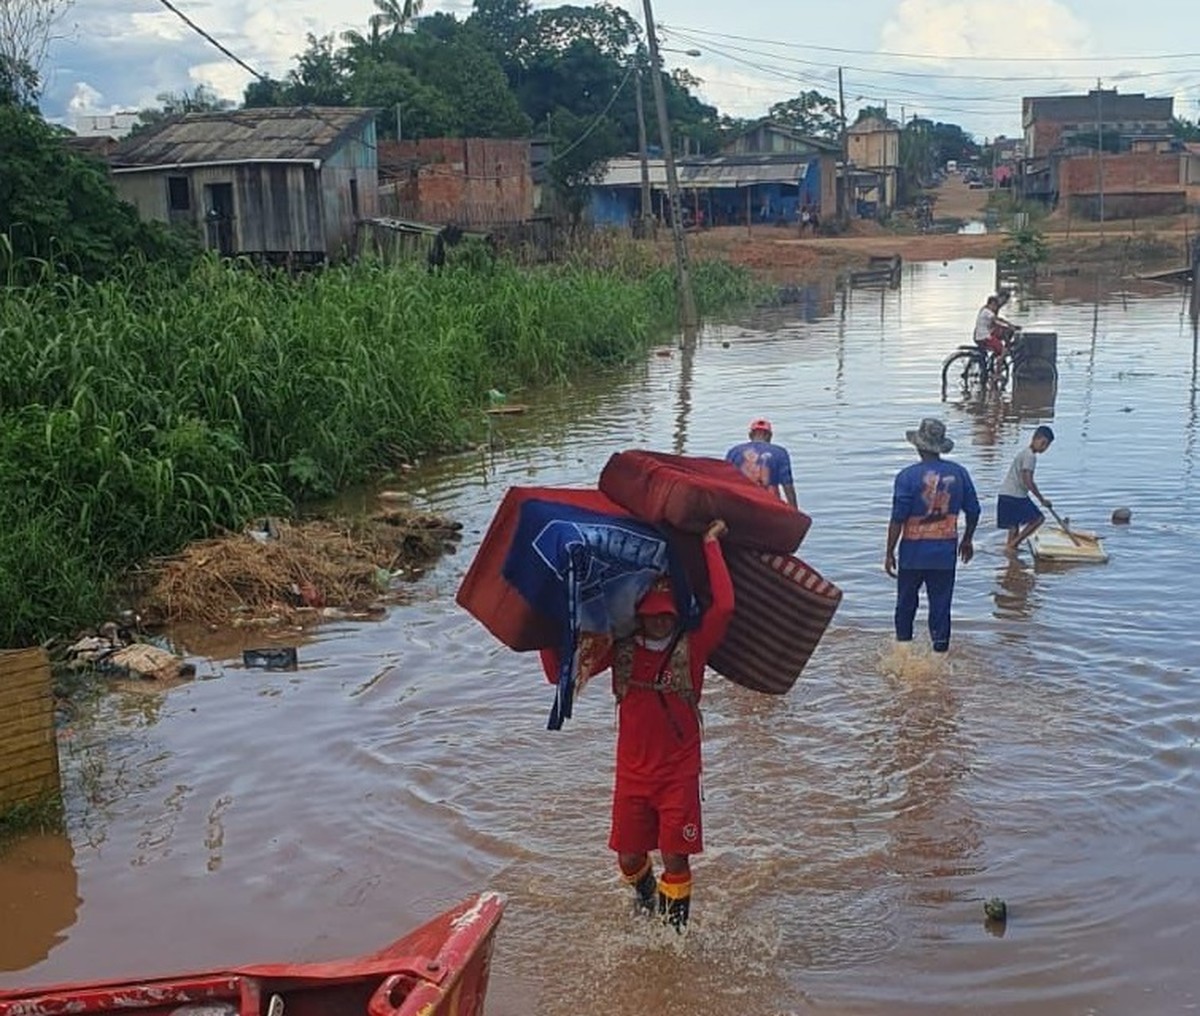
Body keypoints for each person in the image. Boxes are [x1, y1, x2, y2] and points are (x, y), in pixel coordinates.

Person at [544, 519, 733, 932]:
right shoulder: (620, 648)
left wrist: (710, 544)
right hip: (632, 775)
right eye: (653, 615)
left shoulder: (693, 646)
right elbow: (564, 669)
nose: (661, 622)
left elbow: (724, 607)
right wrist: (548, 624)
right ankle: (648, 900)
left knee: (676, 857)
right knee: (628, 859)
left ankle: (673, 939)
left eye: (668, 615)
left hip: (678, 773)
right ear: (637, 614)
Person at [885, 418, 981, 654]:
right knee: (940, 605)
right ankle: (939, 657)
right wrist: (967, 539)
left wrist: (889, 552)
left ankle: (903, 654)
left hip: (912, 554)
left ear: (919, 445)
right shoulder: (959, 473)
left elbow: (898, 518)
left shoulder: (906, 477)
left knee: (906, 604)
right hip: (944, 553)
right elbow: (974, 510)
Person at [997, 426, 1055, 551]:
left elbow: (1024, 481)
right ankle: (1012, 546)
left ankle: (1011, 557)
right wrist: (1041, 499)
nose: (1044, 448)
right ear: (1034, 438)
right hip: (1014, 496)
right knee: (1038, 519)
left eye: (1047, 445)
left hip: (1006, 494)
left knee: (1014, 528)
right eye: (1043, 443)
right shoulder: (1030, 456)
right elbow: (1027, 480)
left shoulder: (1025, 453)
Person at [725, 418, 799, 508]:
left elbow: (725, 482)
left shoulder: (734, 451)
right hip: (770, 504)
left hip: (740, 503)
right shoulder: (780, 452)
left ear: (750, 435)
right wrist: (794, 511)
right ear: (770, 436)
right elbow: (787, 486)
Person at [973, 294, 1016, 364]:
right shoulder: (987, 311)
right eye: (1004, 300)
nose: (1004, 303)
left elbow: (995, 321)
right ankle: (998, 367)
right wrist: (1009, 325)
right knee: (1001, 349)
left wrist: (1007, 325)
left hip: (984, 333)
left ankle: (997, 358)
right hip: (984, 335)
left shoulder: (988, 309)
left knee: (1004, 336)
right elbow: (996, 320)